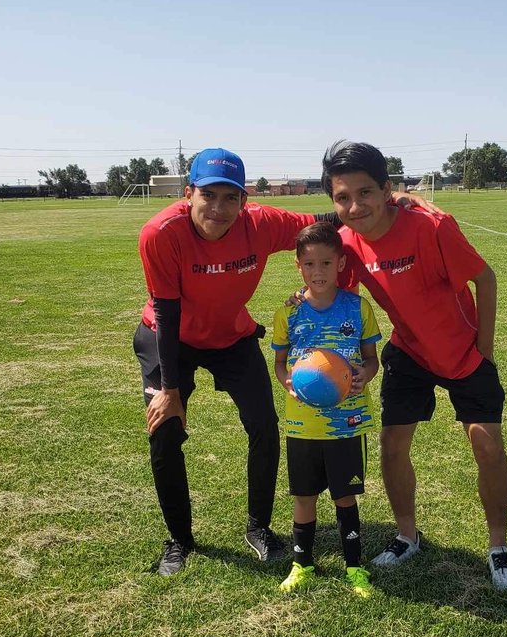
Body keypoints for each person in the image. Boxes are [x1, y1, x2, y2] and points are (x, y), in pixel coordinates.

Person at [135, 147, 424, 576]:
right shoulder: (161, 232)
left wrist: (398, 200)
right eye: (208, 195)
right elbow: (167, 311)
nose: (219, 208)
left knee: (264, 426)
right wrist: (171, 392)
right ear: (188, 192)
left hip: (232, 337)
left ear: (244, 201)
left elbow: (328, 227)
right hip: (167, 337)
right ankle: (179, 539)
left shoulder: (260, 224)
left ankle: (260, 527)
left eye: (230, 197)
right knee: (165, 432)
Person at [321, 140, 507, 591]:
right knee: (392, 445)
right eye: (343, 197)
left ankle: (498, 546)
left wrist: (484, 350)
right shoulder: (347, 242)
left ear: (387, 189)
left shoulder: (432, 227)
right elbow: (342, 296)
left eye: (366, 192)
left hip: (463, 353)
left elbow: (484, 278)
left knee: (487, 445)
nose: (356, 206)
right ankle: (407, 535)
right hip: (409, 352)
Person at [271, 223, 381, 598]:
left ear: (341, 263)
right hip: (302, 423)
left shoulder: (357, 307)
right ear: (298, 266)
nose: (317, 272)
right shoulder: (288, 313)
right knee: (303, 496)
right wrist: (286, 380)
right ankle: (302, 563)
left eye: (326, 263)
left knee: (344, 496)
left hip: (346, 423)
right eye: (309, 264)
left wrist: (363, 376)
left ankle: (354, 566)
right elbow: (280, 363)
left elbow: (371, 359)